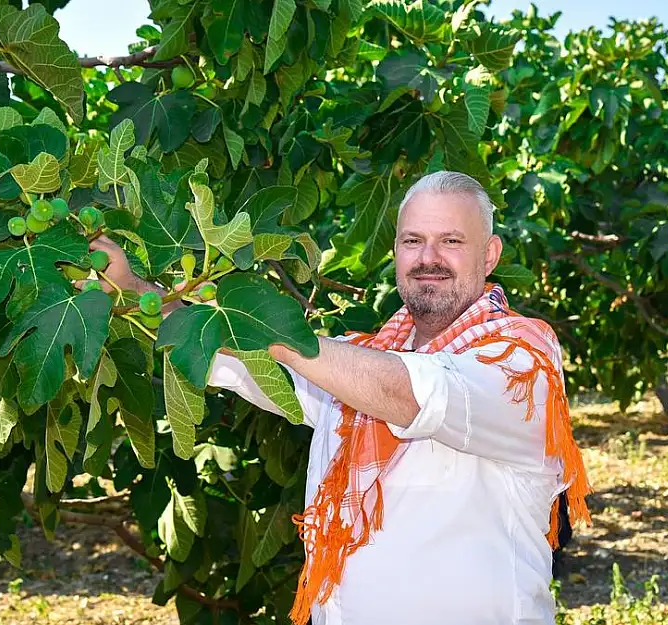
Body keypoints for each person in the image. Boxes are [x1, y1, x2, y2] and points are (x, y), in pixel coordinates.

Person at [87, 170, 591, 625]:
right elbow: (233, 352)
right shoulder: (356, 360)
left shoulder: (522, 362)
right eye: (412, 240)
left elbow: (411, 392)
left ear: (490, 255)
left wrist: (273, 331)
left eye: (451, 241)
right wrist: (130, 287)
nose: (428, 258)